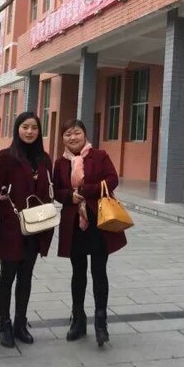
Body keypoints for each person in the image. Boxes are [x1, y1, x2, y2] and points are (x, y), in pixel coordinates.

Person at [53, 119, 126, 347]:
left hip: (98, 222)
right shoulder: (60, 163)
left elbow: (112, 179)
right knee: (78, 273)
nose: (72, 137)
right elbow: (57, 191)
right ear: (63, 138)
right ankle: (78, 319)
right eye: (68, 134)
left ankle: (101, 322)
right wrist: (69, 196)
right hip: (73, 224)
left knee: (99, 271)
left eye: (76, 133)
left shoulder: (99, 155)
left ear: (84, 134)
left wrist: (86, 190)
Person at [0, 112, 54, 348]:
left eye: (34, 128)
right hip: (12, 228)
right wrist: (11, 215)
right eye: (25, 127)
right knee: (7, 275)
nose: (29, 131)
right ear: (17, 129)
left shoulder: (44, 159)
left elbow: (49, 189)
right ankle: (4, 323)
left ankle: (20, 323)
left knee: (26, 276)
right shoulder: (5, 157)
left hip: (37, 228)